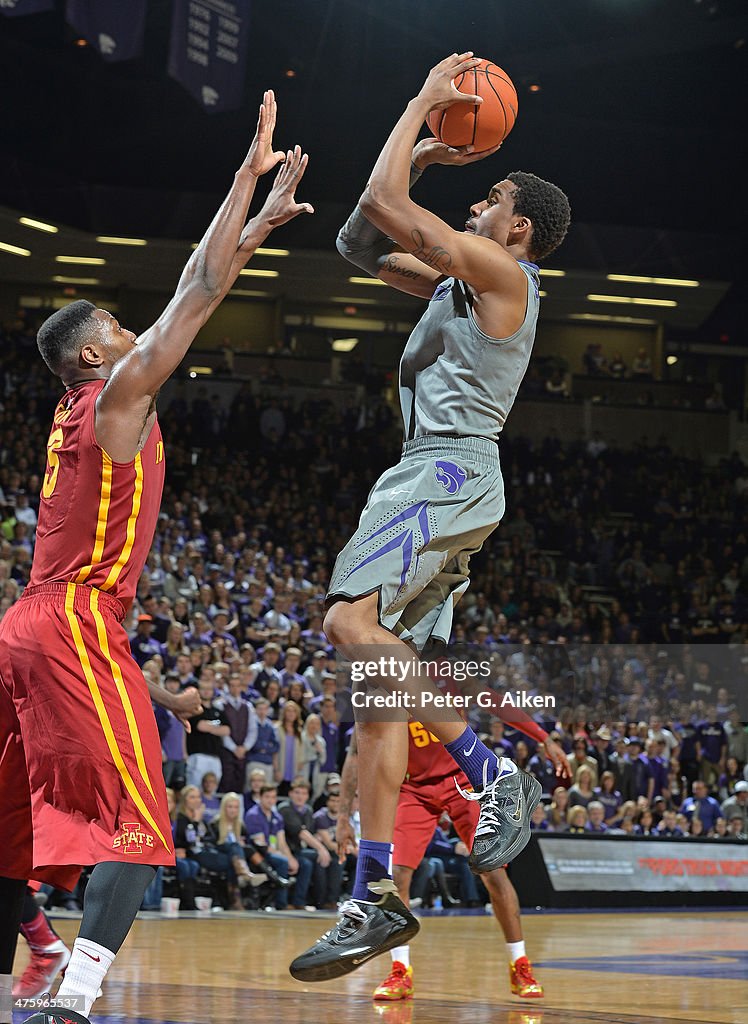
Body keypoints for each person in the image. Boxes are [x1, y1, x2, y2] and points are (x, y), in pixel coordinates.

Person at [0, 90, 313, 1024]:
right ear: (97, 348)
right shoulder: (119, 395)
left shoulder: (77, 411)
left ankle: (36, 972)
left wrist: (251, 223)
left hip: (22, 627)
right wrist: (242, 188)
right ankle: (79, 996)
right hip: (75, 624)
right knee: (137, 825)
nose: (140, 330)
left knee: (9, 840)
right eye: (122, 326)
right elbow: (198, 291)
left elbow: (194, 284)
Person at [290, 53, 569, 982]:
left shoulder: (505, 275)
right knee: (379, 698)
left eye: (488, 195)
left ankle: (495, 776)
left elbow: (381, 199)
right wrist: (423, 159)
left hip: (441, 471)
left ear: (517, 226)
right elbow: (360, 242)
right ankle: (374, 899)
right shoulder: (460, 283)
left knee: (344, 621)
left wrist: (419, 111)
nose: (476, 203)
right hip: (437, 477)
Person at [333, 718, 569, 1002]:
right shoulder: (375, 690)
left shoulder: (443, 677)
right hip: (413, 787)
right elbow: (355, 755)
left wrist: (543, 737)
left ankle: (520, 964)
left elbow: (493, 700)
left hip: (462, 779)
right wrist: (343, 816)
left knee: (493, 871)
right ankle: (400, 969)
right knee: (395, 876)